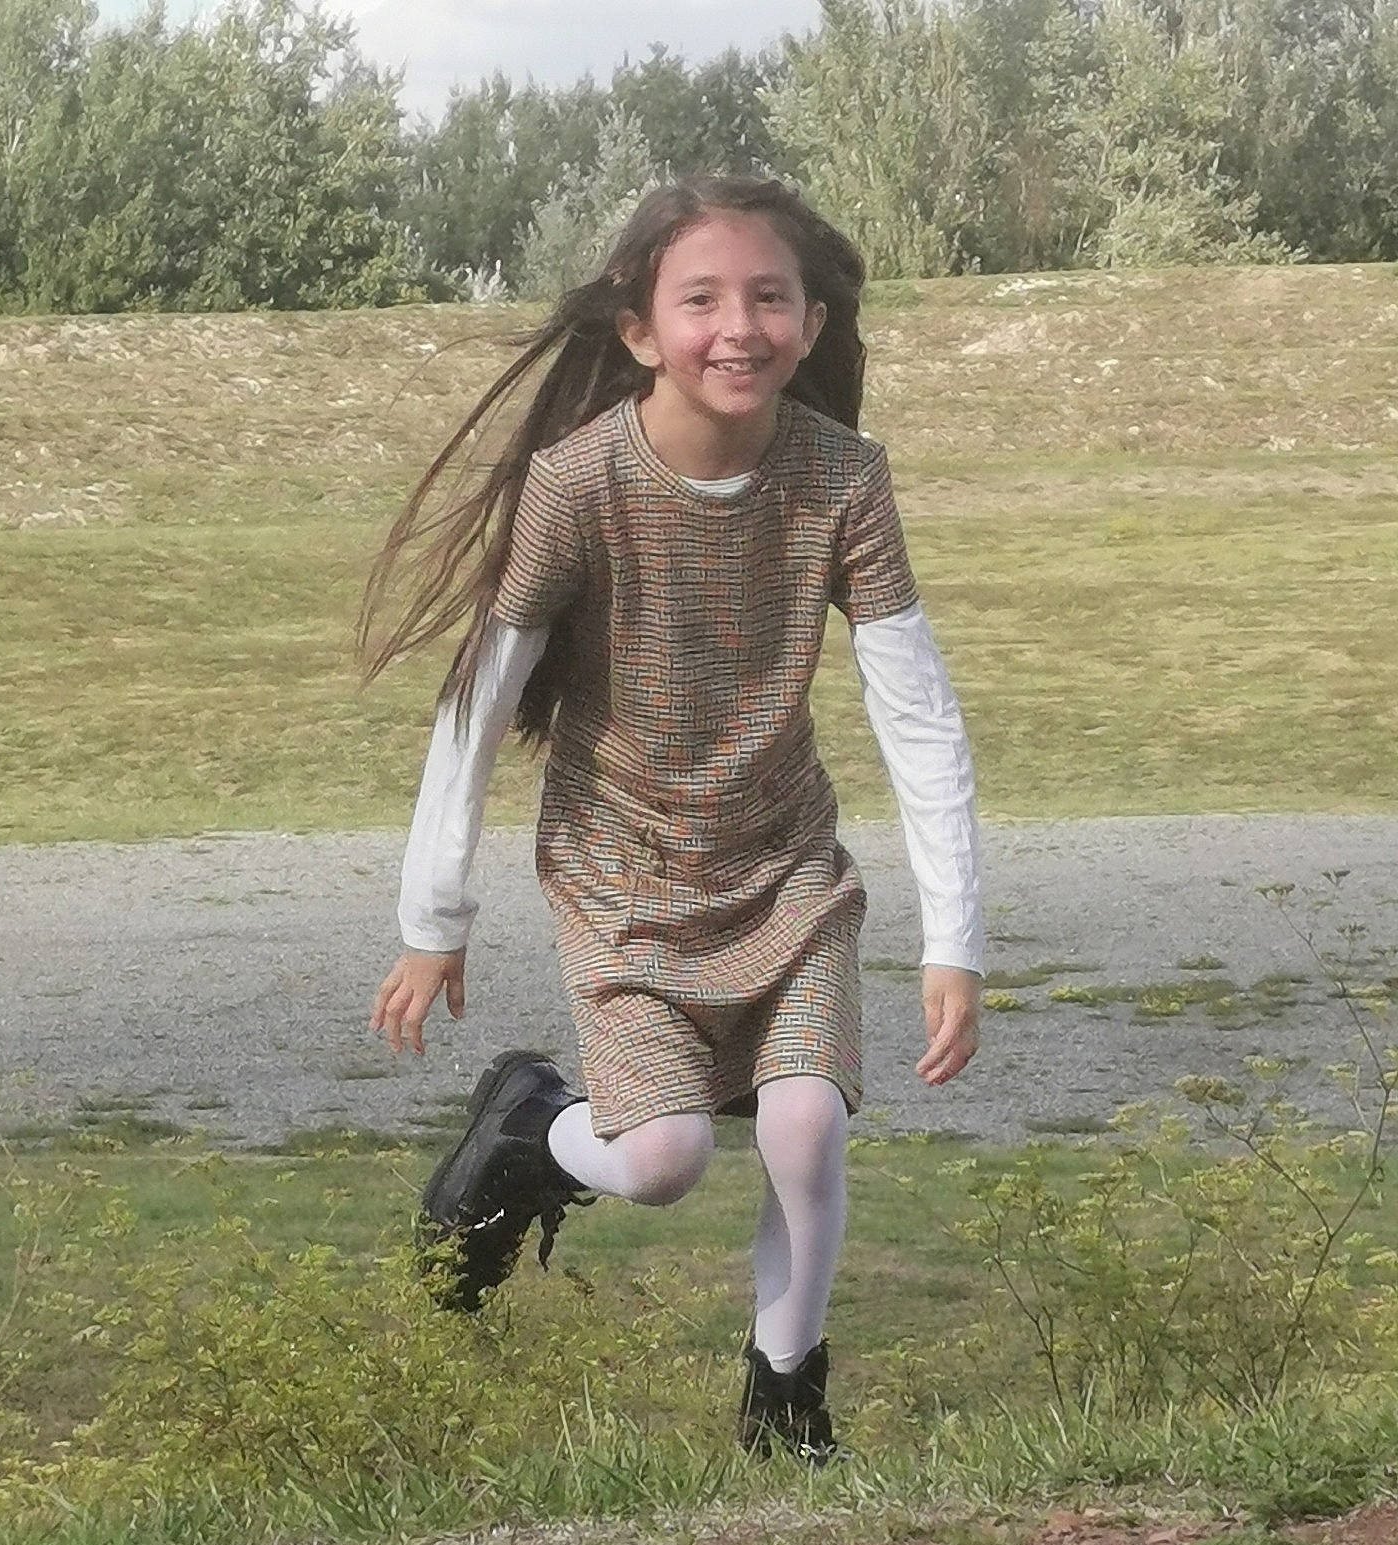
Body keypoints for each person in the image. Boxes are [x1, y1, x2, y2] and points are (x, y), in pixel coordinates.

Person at [362, 175, 982, 1463]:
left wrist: (952, 940)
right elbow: (480, 703)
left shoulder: (842, 480)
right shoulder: (577, 484)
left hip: (785, 869)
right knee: (663, 1161)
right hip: (623, 870)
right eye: (701, 299)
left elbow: (916, 714)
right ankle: (533, 1129)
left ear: (813, 323)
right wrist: (435, 918)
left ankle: (787, 1401)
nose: (738, 327)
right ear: (642, 328)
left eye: (770, 297)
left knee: (808, 1126)